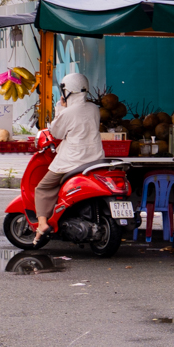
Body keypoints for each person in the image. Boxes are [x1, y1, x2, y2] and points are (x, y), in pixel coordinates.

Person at [33, 73, 103, 235]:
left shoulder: (68, 112)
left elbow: (56, 133)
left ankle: (42, 223)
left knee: (43, 187)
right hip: (95, 159)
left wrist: (60, 108)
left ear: (68, 91)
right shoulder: (94, 109)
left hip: (72, 161)